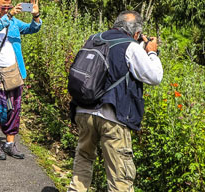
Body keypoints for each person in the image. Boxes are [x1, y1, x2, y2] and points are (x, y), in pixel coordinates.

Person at [68, 11, 163, 192]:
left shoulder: (94, 39)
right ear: (136, 33)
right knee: (120, 175)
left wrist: (138, 44)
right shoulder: (131, 47)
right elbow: (154, 76)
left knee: (84, 158)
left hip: (84, 109)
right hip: (112, 115)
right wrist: (151, 53)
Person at [0, 0, 41, 160]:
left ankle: (10, 143)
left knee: (14, 107)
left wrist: (36, 16)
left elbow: (31, 29)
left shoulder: (14, 22)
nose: (6, 10)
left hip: (14, 70)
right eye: (3, 8)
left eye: (9, 7)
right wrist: (9, 16)